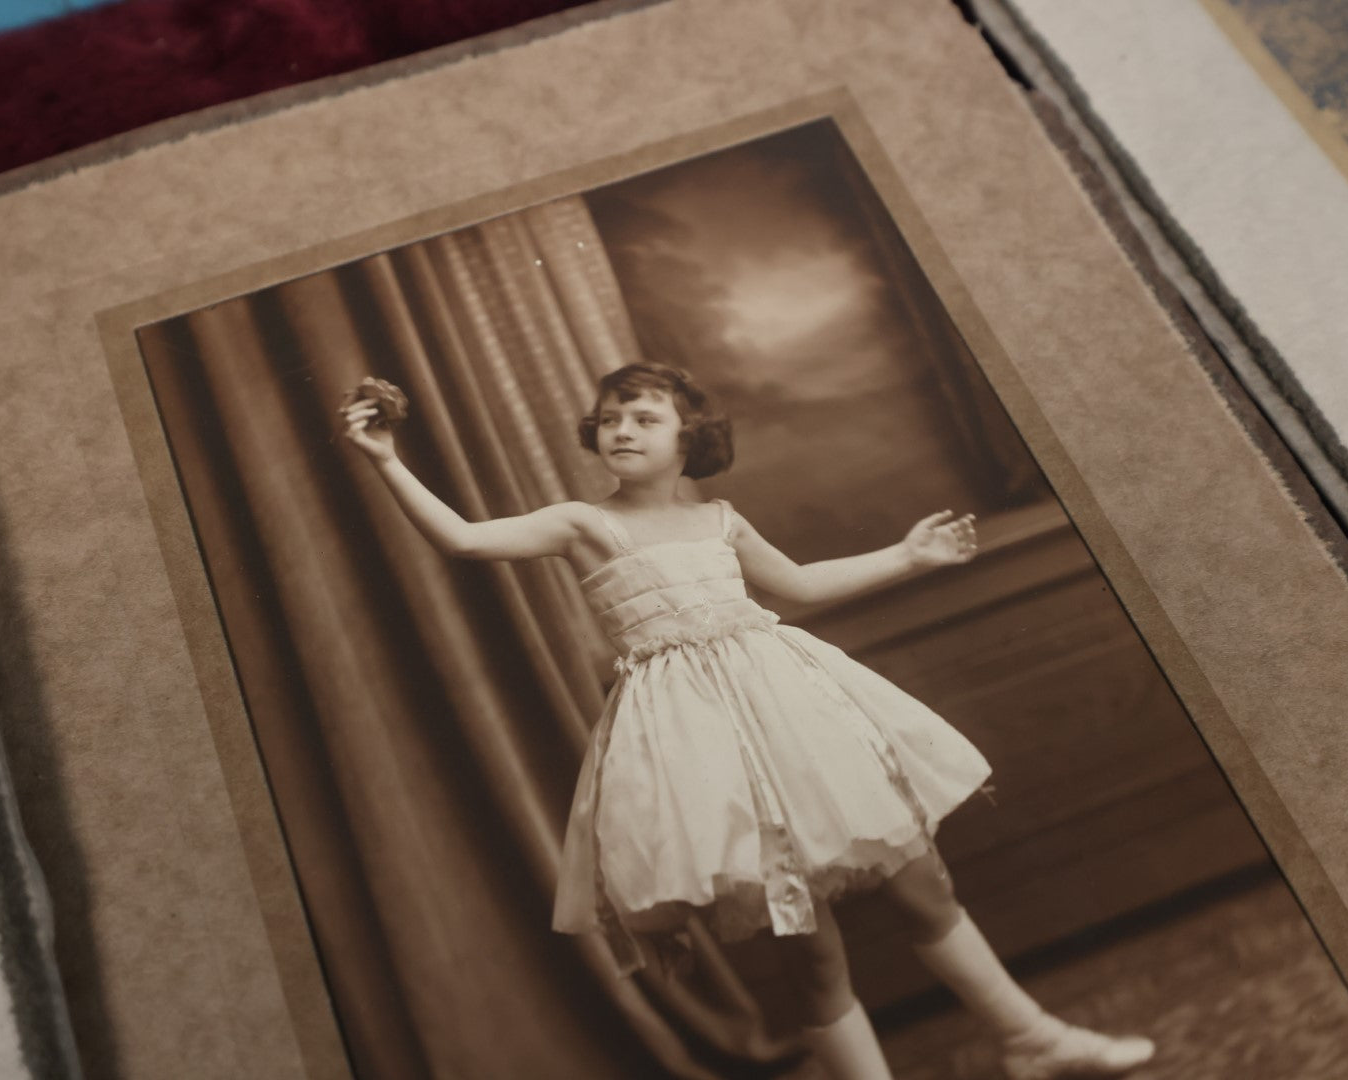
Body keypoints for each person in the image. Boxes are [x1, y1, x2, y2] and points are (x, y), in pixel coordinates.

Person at [340, 362, 1155, 1080]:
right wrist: (385, 462)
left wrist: (908, 557)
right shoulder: (584, 524)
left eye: (643, 417)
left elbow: (796, 587)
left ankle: (1032, 1039)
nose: (621, 428)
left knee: (923, 880)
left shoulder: (720, 519)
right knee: (811, 946)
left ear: (688, 437)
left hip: (794, 721)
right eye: (611, 417)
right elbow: (463, 542)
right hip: (700, 748)